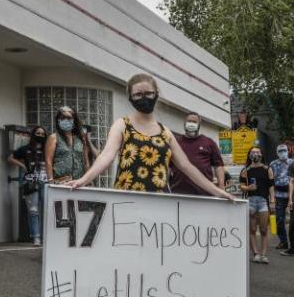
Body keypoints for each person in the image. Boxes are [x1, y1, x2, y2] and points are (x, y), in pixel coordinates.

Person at [64, 73, 234, 202]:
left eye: (148, 93)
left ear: (156, 94)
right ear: (130, 98)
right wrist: (83, 180)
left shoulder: (166, 132)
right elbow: (106, 156)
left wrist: (218, 191)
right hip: (125, 201)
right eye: (138, 94)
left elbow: (187, 167)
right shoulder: (122, 125)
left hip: (159, 203)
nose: (143, 98)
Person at [8, 125, 49, 246]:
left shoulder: (48, 149)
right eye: (38, 133)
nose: (40, 136)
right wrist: (22, 165)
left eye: (42, 134)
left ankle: (46, 236)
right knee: (33, 210)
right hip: (31, 182)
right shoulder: (25, 149)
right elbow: (10, 158)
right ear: (33, 135)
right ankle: (36, 237)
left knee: (47, 209)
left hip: (46, 182)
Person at [171, 112, 226, 194]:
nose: (191, 124)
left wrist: (221, 186)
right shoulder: (176, 142)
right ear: (184, 123)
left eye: (194, 122)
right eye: (189, 121)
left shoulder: (209, 143)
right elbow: (168, 165)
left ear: (199, 124)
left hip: (203, 193)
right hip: (178, 192)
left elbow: (218, 166)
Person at [240, 147, 275, 264]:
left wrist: (273, 201)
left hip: (263, 202)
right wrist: (248, 188)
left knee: (264, 230)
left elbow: (271, 186)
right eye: (253, 152)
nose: (255, 154)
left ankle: (264, 255)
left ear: (261, 154)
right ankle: (255, 253)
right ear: (249, 154)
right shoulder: (246, 169)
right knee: (252, 229)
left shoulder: (267, 169)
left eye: (258, 152)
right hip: (250, 201)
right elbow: (241, 185)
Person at [45, 106, 91, 185]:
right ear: (58, 120)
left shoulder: (80, 139)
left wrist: (88, 181)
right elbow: (48, 161)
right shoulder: (53, 138)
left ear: (74, 120)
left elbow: (86, 162)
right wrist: (50, 181)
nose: (65, 120)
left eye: (69, 118)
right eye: (62, 118)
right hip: (60, 182)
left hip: (78, 183)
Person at [269, 144, 292, 250]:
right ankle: (283, 241)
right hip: (279, 195)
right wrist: (272, 199)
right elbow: (271, 181)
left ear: (288, 151)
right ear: (277, 153)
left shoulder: (293, 162)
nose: (283, 153)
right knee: (279, 219)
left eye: (284, 150)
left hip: (292, 194)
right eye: (280, 151)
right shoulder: (273, 164)